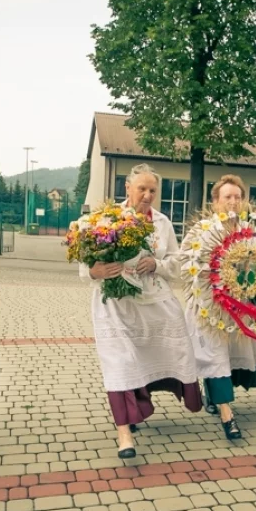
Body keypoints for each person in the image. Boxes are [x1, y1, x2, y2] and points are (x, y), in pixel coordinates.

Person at [81, 164, 201, 459]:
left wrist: (157, 265)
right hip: (116, 307)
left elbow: (176, 261)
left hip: (155, 304)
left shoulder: (162, 223)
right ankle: (124, 435)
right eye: (142, 189)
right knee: (120, 364)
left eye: (152, 191)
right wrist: (95, 270)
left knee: (164, 354)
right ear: (127, 188)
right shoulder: (104, 220)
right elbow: (84, 266)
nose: (147, 195)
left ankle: (140, 405)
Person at [182, 175, 256, 440]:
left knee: (228, 359)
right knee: (215, 356)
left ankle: (214, 395)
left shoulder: (250, 230)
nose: (233, 202)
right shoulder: (201, 230)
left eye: (238, 197)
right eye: (227, 197)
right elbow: (185, 263)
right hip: (209, 307)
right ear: (215, 201)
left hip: (240, 307)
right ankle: (227, 415)